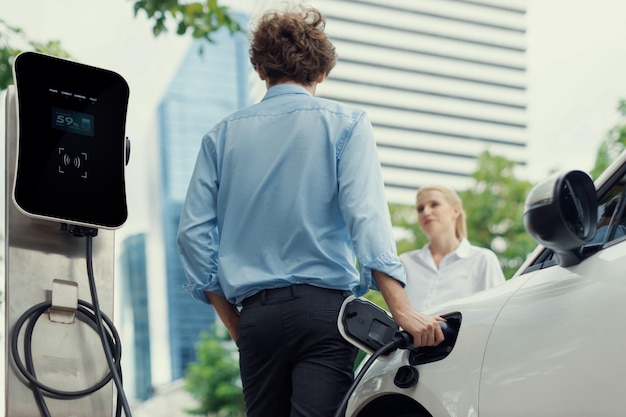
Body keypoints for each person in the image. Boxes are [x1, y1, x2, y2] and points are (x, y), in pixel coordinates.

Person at [176, 5, 444, 417]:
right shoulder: (346, 123)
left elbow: (192, 236)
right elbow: (366, 217)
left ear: (261, 70)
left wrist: (235, 322)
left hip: (256, 319)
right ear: (321, 73)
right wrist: (401, 307)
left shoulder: (220, 137)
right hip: (325, 316)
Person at [400, 185, 505, 311]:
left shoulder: (483, 260)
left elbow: (497, 311)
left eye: (434, 204)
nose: (426, 212)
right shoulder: (405, 262)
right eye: (420, 209)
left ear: (455, 210)